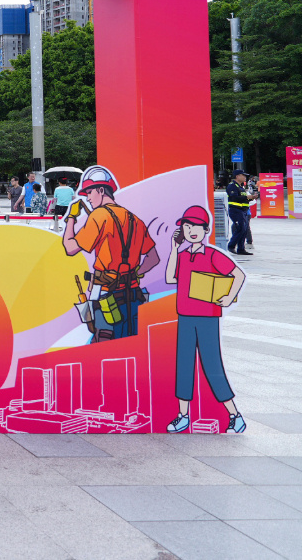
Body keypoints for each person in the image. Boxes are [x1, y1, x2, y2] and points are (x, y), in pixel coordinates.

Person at [163, 205, 246, 434]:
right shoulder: (182, 255)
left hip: (207, 318)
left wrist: (228, 297)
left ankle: (234, 415)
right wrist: (174, 248)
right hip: (185, 316)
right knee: (184, 365)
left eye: (196, 227)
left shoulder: (212, 255)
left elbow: (238, 274)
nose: (191, 231)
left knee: (212, 365)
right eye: (187, 226)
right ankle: (183, 415)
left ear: (206, 230)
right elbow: (170, 277)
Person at [62, 165, 159, 340]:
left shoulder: (99, 216)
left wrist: (71, 217)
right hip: (134, 295)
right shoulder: (134, 219)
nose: (87, 198)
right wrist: (135, 273)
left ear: (101, 190)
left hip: (107, 297)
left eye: (89, 192)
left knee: (105, 343)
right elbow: (153, 258)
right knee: (131, 341)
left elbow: (70, 248)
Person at [225, 171, 257, 257]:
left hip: (243, 211)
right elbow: (234, 198)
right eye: (243, 176)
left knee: (244, 229)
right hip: (236, 210)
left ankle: (241, 249)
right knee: (240, 228)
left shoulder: (241, 187)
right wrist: (247, 197)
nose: (245, 177)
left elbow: (242, 199)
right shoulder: (232, 186)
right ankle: (231, 246)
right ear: (237, 176)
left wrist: (251, 198)